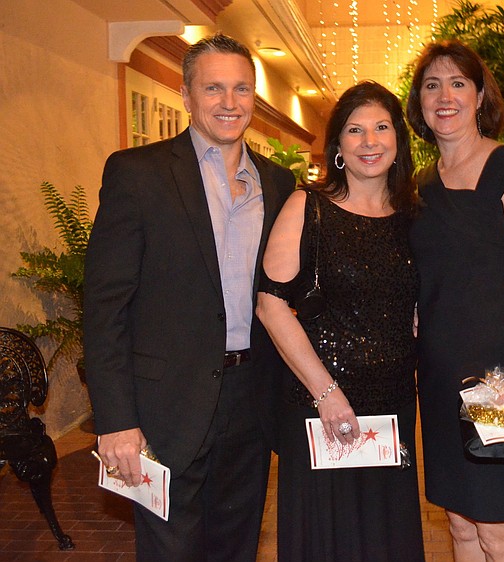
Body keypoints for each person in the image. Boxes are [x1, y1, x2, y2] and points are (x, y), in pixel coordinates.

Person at [83, 33, 295, 561]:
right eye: (214, 88)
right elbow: (105, 306)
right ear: (186, 95)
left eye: (241, 89)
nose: (229, 103)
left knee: (237, 546)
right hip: (164, 407)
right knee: (170, 551)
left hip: (251, 400)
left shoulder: (279, 183)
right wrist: (115, 420)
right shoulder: (137, 174)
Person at [255, 80, 424, 562]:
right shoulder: (307, 207)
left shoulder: (411, 215)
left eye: (381, 128)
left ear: (399, 141)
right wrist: (327, 395)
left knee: (383, 537)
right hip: (321, 403)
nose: (370, 141)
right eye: (355, 130)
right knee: (329, 540)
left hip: (391, 403)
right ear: (337, 148)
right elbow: (271, 305)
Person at [407, 40, 504, 561]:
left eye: (457, 83)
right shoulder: (420, 186)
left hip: (497, 384)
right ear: (419, 104)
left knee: (495, 525)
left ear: (477, 96)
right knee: (460, 523)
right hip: (440, 376)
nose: (444, 96)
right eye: (432, 85)